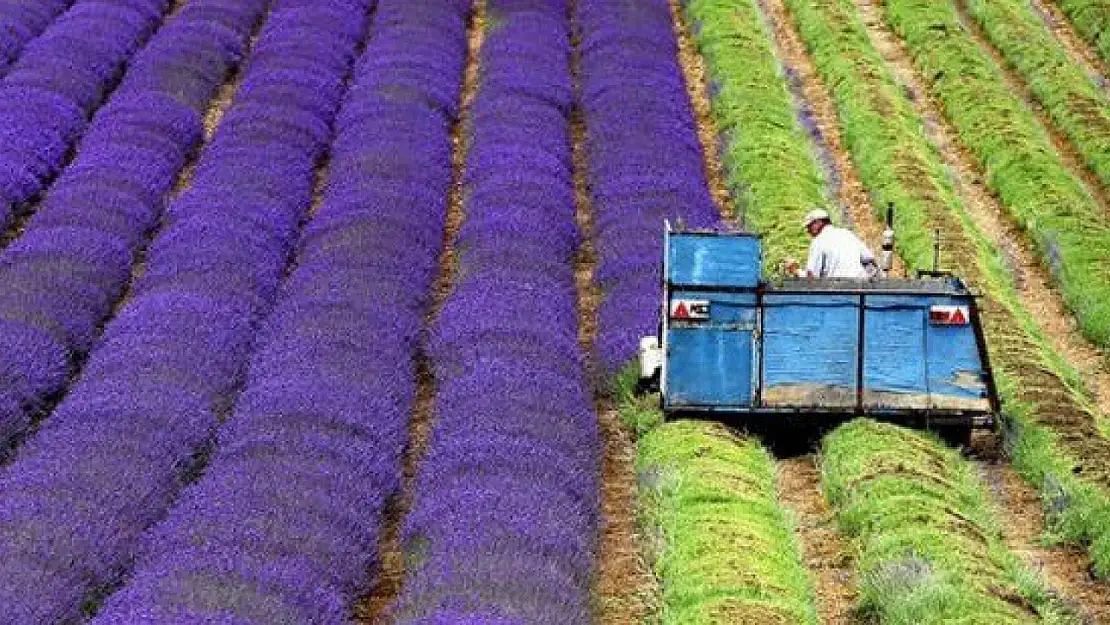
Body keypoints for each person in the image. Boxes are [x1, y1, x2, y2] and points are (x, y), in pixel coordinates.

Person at [784, 208, 879, 278]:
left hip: (836, 292)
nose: (808, 231)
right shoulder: (847, 233)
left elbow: (812, 277)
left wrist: (796, 271)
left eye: (809, 226)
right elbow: (870, 260)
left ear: (818, 223)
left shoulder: (818, 242)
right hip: (859, 289)